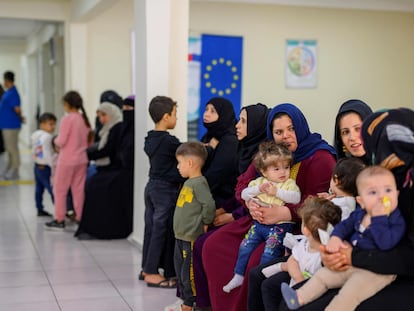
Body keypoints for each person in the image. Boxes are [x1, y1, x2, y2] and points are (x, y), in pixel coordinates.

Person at [203, 103, 336, 311]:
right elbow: (242, 184)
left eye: (291, 129)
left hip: (295, 227)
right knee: (214, 245)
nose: (286, 136)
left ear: (300, 126)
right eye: (278, 131)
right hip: (257, 221)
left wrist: (286, 212)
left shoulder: (320, 157)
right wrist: (249, 202)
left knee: (257, 261)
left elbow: (318, 203)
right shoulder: (271, 153)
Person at [278, 107, 414, 311]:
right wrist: (335, 251)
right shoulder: (385, 177)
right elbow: (355, 221)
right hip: (369, 259)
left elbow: (404, 255)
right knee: (294, 300)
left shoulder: (395, 187)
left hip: (395, 272)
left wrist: (351, 256)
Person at [281, 166, 405, 311]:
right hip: (354, 262)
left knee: (349, 294)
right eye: (373, 192)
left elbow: (385, 243)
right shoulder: (361, 214)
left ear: (397, 194)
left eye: (388, 190)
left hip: (377, 272)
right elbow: (344, 226)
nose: (381, 197)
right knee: (323, 276)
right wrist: (335, 238)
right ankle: (299, 297)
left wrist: (379, 218)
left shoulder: (395, 220)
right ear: (361, 200)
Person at [189, 103, 269, 310]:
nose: (237, 126)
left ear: (256, 127)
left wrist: (230, 216)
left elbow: (256, 197)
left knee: (208, 244)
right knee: (198, 241)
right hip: (241, 211)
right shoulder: (245, 149)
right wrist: (223, 210)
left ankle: (212, 303)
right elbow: (240, 192)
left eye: (243, 121)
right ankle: (199, 302)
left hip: (256, 218)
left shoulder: (263, 156)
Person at [223, 141, 300, 293]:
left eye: (286, 167)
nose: (282, 172)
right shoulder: (259, 182)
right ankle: (238, 275)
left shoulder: (288, 184)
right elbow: (244, 194)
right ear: (264, 172)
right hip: (259, 225)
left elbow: (296, 198)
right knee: (245, 246)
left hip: (279, 226)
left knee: (269, 253)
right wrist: (258, 190)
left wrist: (277, 192)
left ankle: (262, 278)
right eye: (276, 168)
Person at [260, 197, 342, 308]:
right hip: (297, 287)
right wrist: (296, 277)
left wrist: (299, 283)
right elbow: (293, 260)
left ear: (306, 230)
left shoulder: (323, 257)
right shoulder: (305, 243)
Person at [141, 96, 184, 288]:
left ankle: (146, 268)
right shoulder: (169, 141)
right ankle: (151, 272)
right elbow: (185, 153)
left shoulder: (150, 138)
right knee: (160, 230)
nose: (176, 118)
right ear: (166, 117)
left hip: (151, 187)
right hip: (165, 190)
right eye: (175, 114)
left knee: (151, 229)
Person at [173, 142, 216, 311]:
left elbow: (209, 205)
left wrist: (206, 222)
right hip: (180, 236)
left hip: (190, 236)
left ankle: (189, 303)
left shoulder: (199, 183)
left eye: (179, 162)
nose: (178, 167)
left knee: (188, 273)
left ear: (190, 163)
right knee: (180, 270)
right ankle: (184, 299)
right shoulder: (189, 182)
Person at [75, 102, 124, 240]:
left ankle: (98, 229)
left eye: (104, 115)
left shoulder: (117, 127)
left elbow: (109, 150)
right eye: (99, 116)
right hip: (105, 169)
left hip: (114, 170)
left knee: (95, 187)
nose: (101, 119)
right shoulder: (106, 129)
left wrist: (89, 155)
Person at [44, 90, 92, 230]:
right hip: (81, 159)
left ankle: (59, 219)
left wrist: (55, 141)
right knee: (78, 190)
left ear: (67, 104)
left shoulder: (68, 119)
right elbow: (88, 141)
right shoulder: (84, 119)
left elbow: (61, 141)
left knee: (60, 190)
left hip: (67, 160)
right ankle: (80, 218)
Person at [31, 112, 57, 217]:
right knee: (52, 189)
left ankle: (39, 208)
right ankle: (60, 210)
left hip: (37, 166)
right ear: (42, 124)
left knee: (39, 189)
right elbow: (47, 153)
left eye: (54, 124)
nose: (53, 127)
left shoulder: (35, 135)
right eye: (50, 124)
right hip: (46, 167)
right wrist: (53, 165)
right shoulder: (47, 137)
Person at [0, 71, 24, 180]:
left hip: (11, 126)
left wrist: (20, 116)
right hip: (6, 125)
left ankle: (15, 169)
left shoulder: (13, 93)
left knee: (12, 148)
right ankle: (9, 168)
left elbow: (17, 109)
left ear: (6, 80)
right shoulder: (9, 92)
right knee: (9, 149)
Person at [334, 99, 372, 165]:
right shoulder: (340, 172)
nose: (352, 137)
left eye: (358, 129)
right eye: (345, 132)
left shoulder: (391, 165)